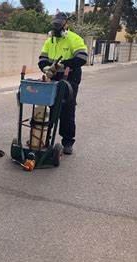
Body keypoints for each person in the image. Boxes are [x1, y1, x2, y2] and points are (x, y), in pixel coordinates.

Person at [38, 12, 88, 155]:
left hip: (70, 79)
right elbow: (42, 59)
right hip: (53, 78)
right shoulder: (50, 41)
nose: (57, 27)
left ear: (66, 24)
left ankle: (67, 142)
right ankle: (45, 139)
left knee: (67, 110)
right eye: (55, 24)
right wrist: (45, 67)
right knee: (50, 109)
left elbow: (82, 58)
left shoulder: (74, 39)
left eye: (59, 24)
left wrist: (63, 65)